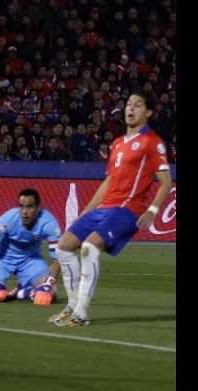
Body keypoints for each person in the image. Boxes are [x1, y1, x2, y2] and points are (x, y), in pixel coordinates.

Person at [49, 91, 173, 327]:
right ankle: (72, 305)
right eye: (128, 104)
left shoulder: (152, 142)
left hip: (127, 210)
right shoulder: (117, 143)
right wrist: (86, 211)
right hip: (103, 208)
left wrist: (153, 210)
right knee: (64, 246)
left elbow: (165, 181)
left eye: (137, 105)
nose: (131, 109)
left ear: (147, 113)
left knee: (88, 248)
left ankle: (82, 313)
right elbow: (108, 182)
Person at [0, 189, 62, 306]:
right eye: (22, 206)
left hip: (31, 260)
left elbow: (58, 258)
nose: (24, 211)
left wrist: (48, 284)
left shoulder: (49, 223)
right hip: (3, 259)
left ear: (38, 208)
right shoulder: (8, 219)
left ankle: (21, 293)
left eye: (29, 207)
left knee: (51, 294)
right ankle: (23, 290)